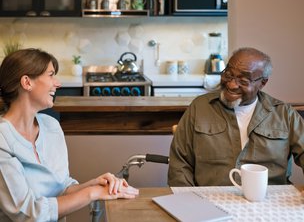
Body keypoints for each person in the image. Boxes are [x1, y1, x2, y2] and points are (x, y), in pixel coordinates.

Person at [0, 48, 139, 221]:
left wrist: (97, 184)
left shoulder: (51, 127)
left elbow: (62, 187)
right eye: (51, 75)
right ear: (27, 82)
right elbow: (28, 213)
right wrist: (92, 193)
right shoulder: (2, 140)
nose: (57, 84)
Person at [168, 47, 304, 186]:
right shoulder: (200, 107)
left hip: (271, 201)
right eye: (228, 74)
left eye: (244, 81)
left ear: (262, 83)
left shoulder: (284, 114)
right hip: (210, 200)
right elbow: (179, 163)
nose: (232, 85)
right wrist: (187, 199)